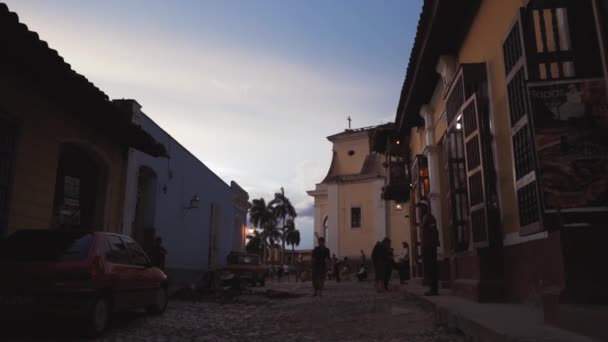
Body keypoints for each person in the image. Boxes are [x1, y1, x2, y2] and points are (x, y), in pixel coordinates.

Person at [418, 198, 439, 296]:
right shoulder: (424, 218)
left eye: (421, 207)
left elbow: (434, 230)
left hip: (430, 246)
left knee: (431, 267)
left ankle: (434, 289)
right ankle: (431, 287)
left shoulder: (430, 218)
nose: (420, 210)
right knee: (428, 267)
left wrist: (434, 242)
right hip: (426, 246)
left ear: (426, 208)